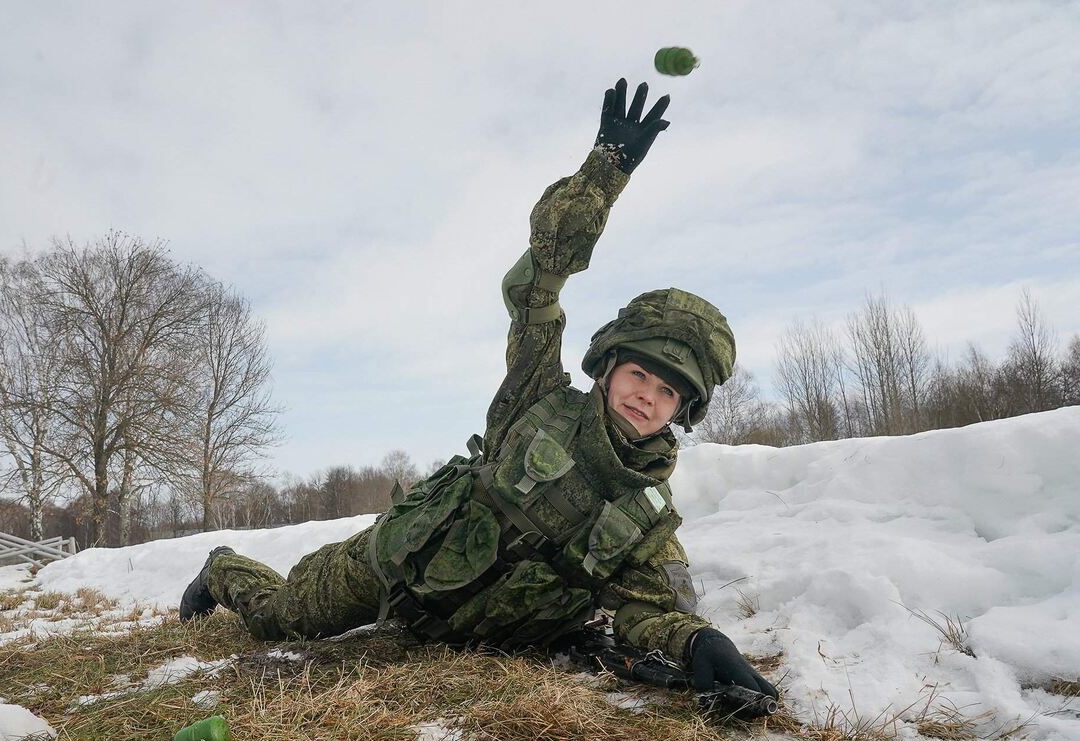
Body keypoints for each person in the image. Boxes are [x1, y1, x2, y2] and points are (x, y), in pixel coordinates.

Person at [180, 79, 778, 702]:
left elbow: (646, 612)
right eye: (638, 375)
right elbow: (537, 283)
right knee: (278, 620)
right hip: (386, 565)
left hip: (451, 634)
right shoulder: (538, 395)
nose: (645, 397)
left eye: (666, 392)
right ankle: (222, 568)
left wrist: (699, 644)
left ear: (682, 410)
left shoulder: (645, 519)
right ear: (607, 370)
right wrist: (606, 171)